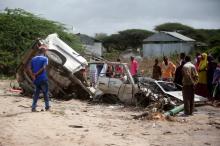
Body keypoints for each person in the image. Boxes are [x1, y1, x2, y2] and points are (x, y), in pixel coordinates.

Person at [28, 45, 50, 112]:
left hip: (36, 79)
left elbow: (29, 68)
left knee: (36, 93)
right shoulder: (45, 59)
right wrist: (37, 73)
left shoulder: (33, 58)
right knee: (45, 93)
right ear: (44, 52)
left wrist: (33, 75)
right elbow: (43, 68)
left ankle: (33, 107)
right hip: (43, 78)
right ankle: (47, 107)